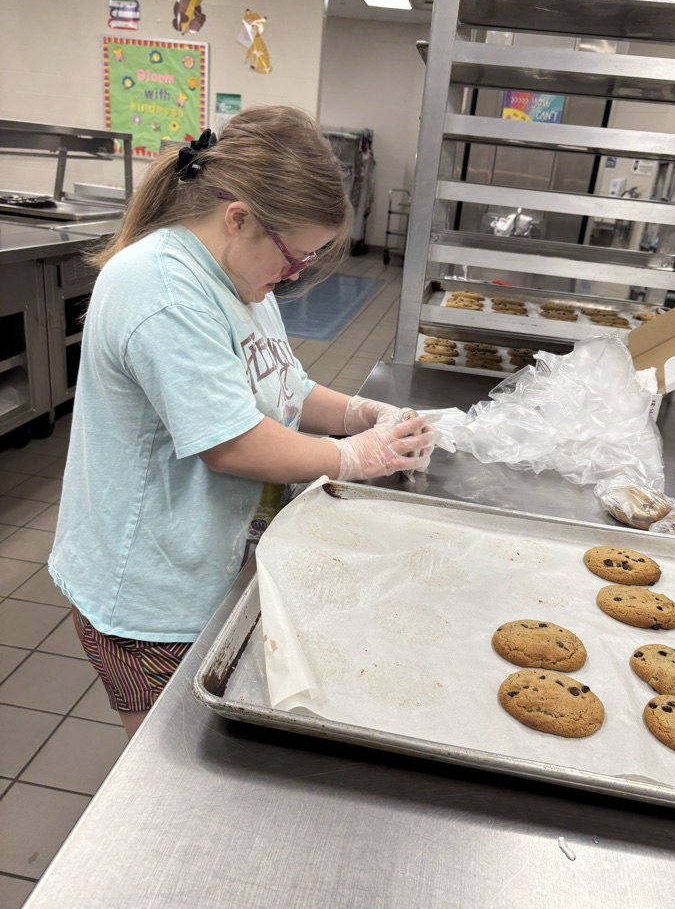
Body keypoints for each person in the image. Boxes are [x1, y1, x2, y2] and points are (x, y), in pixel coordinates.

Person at [48, 105, 434, 739]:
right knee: (171, 765)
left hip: (207, 566)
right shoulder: (163, 292)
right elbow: (230, 443)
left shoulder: (240, 277)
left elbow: (286, 385)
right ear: (239, 219)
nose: (294, 273)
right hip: (148, 595)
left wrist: (362, 414)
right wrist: (355, 457)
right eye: (295, 256)